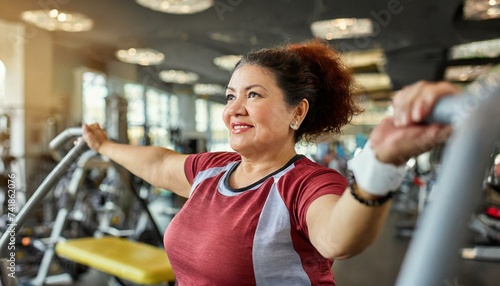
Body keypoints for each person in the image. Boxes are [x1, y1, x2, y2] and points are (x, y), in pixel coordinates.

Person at [82, 40, 457, 285]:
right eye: (230, 97)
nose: (234, 110)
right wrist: (104, 146)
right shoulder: (212, 169)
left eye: (253, 95)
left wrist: (381, 160)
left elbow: (336, 239)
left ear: (297, 113)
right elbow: (158, 164)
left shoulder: (306, 184)